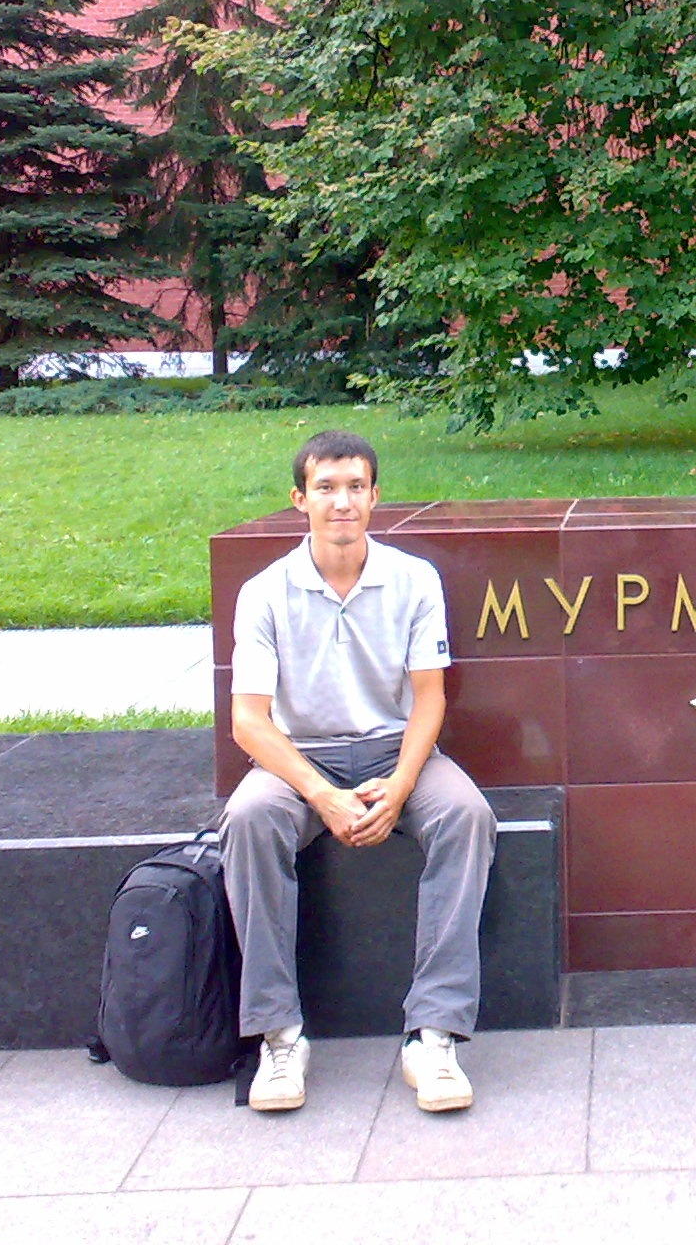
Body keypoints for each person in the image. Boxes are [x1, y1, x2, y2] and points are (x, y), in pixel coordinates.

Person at [219, 430, 496, 1114]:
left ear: (375, 497)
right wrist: (322, 794)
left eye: (354, 488)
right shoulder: (264, 593)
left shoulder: (413, 580)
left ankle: (433, 1036)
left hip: (395, 751)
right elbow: (249, 722)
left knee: (467, 816)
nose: (341, 502)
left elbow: (429, 698)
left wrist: (400, 785)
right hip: (299, 760)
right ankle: (279, 1037)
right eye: (326, 488)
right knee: (248, 819)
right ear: (299, 499)